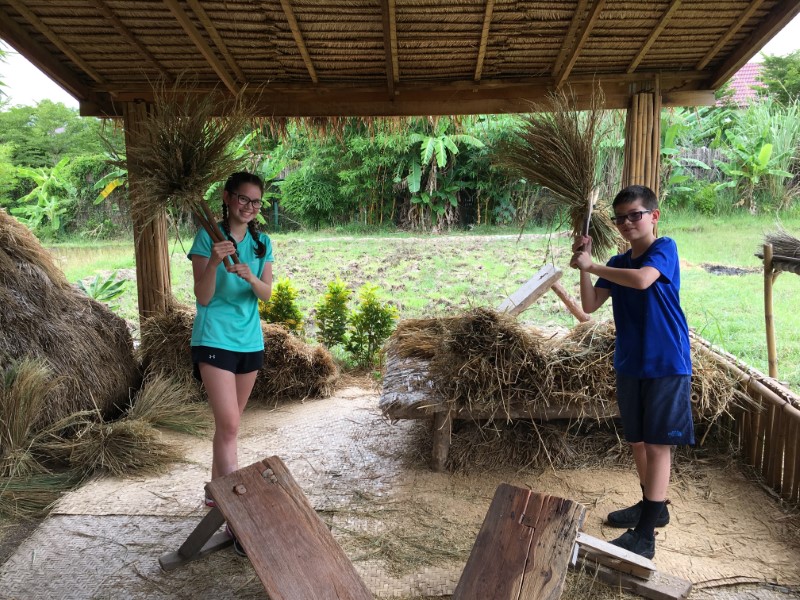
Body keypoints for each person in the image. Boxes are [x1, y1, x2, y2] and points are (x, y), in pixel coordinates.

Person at [569, 184, 693, 560]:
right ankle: (653, 507)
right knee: (638, 442)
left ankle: (645, 536)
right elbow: (590, 304)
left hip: (665, 361)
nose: (627, 223)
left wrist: (593, 266)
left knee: (657, 445)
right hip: (630, 362)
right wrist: (584, 264)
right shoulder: (617, 261)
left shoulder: (664, 248)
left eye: (635, 215)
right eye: (620, 218)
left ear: (654, 216)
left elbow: (642, 280)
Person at [188, 171, 274, 557]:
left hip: (249, 341)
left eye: (255, 201)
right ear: (227, 197)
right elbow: (203, 297)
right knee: (230, 426)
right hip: (214, 338)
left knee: (229, 427)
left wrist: (250, 276)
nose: (248, 207)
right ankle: (236, 517)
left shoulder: (262, 242)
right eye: (242, 198)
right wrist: (214, 262)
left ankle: (214, 494)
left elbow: (267, 294)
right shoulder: (208, 237)